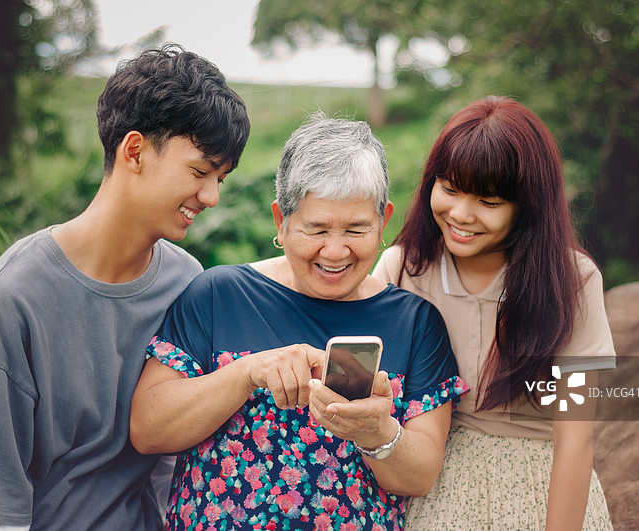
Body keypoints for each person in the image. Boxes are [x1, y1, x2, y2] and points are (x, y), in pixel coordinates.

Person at [0, 44, 250, 530]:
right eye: (200, 172)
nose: (210, 196)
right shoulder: (16, 293)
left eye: (220, 179)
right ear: (135, 151)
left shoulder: (186, 284)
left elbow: (175, 464)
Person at [129, 113, 467, 531]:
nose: (335, 251)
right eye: (316, 228)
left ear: (383, 222)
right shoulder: (219, 295)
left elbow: (420, 476)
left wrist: (377, 432)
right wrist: (247, 372)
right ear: (281, 221)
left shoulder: (415, 323)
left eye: (356, 229)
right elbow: (148, 429)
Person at [373, 96, 616, 530]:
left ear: (527, 206)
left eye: (488, 200)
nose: (461, 215)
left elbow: (576, 440)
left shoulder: (573, 280)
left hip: (544, 487)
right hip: (433, 480)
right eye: (449, 189)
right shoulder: (402, 269)